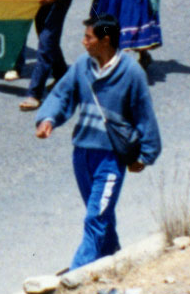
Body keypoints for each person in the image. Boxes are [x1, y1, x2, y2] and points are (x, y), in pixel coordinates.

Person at [33, 14, 163, 271]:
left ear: (105, 40)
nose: (83, 43)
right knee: (101, 214)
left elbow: (144, 114)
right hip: (82, 155)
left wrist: (145, 155)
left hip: (111, 158)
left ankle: (77, 271)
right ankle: (113, 257)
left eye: (88, 37)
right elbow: (62, 94)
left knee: (96, 216)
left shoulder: (131, 72)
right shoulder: (83, 65)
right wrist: (48, 119)